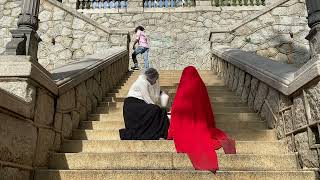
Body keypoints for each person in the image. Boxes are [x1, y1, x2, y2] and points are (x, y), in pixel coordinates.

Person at [167, 66, 236, 172]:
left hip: (183, 128)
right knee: (204, 137)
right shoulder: (200, 85)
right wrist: (209, 124)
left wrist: (171, 132)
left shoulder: (182, 87)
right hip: (201, 124)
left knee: (189, 139)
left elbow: (176, 111)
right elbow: (207, 107)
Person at [119, 68, 170, 140]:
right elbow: (147, 99)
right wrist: (157, 108)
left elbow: (155, 95)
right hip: (132, 106)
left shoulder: (147, 83)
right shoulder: (142, 82)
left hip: (140, 105)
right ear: (152, 77)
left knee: (157, 110)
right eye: (155, 79)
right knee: (155, 109)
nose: (156, 82)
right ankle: (154, 132)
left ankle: (157, 132)